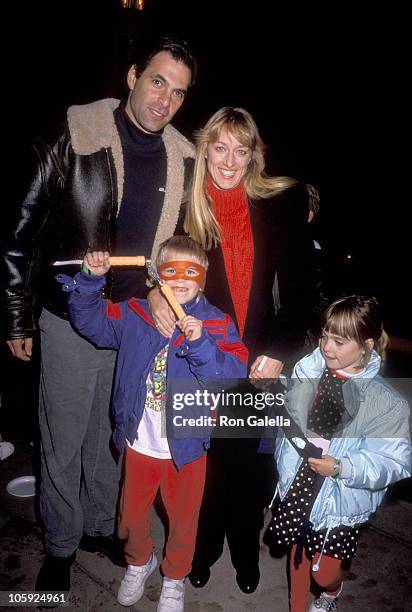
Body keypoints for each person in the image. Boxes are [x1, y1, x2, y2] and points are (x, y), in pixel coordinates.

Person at [0, 35, 197, 592]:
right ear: (132, 75)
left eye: (178, 92)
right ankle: (60, 545)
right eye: (157, 81)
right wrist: (17, 315)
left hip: (134, 323)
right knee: (61, 437)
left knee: (115, 434)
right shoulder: (73, 135)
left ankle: (97, 526)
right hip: (67, 315)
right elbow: (18, 232)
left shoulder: (182, 156)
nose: (164, 99)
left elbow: (181, 247)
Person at [151, 107, 315, 593]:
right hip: (203, 354)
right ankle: (204, 547)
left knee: (251, 466)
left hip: (260, 357)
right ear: (205, 151)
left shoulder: (280, 202)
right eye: (219, 148)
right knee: (208, 462)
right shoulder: (188, 205)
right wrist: (158, 293)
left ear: (253, 156)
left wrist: (279, 351)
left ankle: (245, 549)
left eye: (240, 150)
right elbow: (161, 268)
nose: (229, 160)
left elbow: (303, 289)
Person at [57, 236, 247, 611]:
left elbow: (232, 378)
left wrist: (202, 344)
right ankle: (138, 560)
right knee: (128, 518)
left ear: (203, 278)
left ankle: (174, 578)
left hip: (187, 449)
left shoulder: (218, 324)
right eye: (170, 270)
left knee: (182, 522)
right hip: (139, 442)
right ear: (157, 277)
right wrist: (91, 281)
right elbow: (90, 323)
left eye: (190, 271)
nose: (179, 278)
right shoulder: (136, 314)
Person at [271, 295, 411, 611]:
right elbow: (289, 414)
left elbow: (395, 460)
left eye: (339, 341)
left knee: (324, 574)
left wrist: (343, 467)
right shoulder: (308, 373)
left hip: (339, 499)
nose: (327, 347)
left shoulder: (385, 403)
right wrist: (269, 386)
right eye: (324, 336)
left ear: (366, 345)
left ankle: (331, 594)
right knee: (297, 553)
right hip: (299, 482)